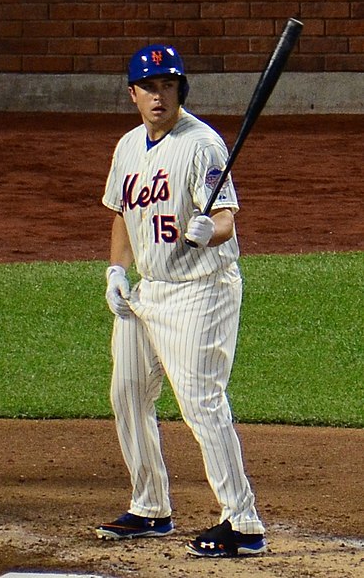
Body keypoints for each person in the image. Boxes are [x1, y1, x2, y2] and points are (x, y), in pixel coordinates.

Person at [95, 44, 266, 558]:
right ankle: (150, 508)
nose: (158, 96)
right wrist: (116, 270)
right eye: (149, 87)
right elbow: (122, 213)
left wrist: (206, 228)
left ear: (179, 91)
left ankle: (243, 523)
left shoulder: (203, 146)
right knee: (127, 393)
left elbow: (226, 219)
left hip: (200, 293)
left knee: (201, 402)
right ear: (133, 94)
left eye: (168, 86)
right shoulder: (127, 146)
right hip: (148, 293)